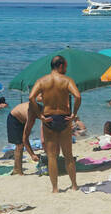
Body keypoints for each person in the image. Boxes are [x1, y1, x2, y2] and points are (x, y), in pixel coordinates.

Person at [23, 55, 82, 193]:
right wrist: (74, 113)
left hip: (49, 119)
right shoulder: (67, 80)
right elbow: (78, 96)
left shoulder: (42, 81)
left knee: (51, 156)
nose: (66, 69)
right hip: (64, 118)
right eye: (65, 66)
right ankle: (74, 186)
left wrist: (40, 115)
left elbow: (31, 97)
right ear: (60, 66)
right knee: (68, 155)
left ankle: (55, 189)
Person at [5, 101, 30, 175]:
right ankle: (19, 171)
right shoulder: (30, 114)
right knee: (20, 145)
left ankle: (16, 168)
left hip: (21, 119)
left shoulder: (36, 108)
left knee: (20, 146)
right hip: (14, 119)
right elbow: (25, 138)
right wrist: (32, 154)